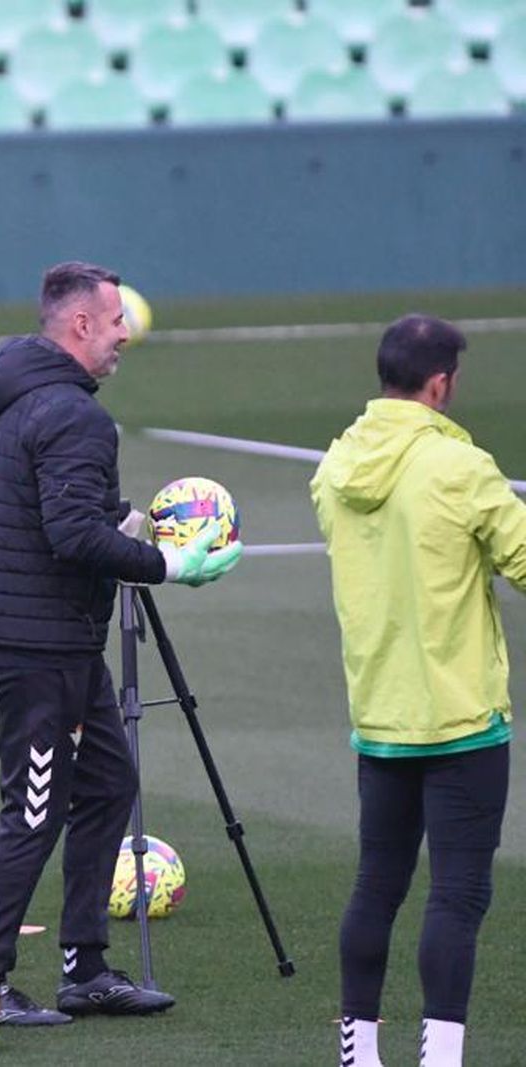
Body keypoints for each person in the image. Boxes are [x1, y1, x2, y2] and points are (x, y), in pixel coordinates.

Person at [0, 261, 241, 1024]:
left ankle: (85, 967)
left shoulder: (7, 404)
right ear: (79, 324)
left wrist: (123, 526)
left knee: (110, 781)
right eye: (116, 320)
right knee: (34, 809)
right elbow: (73, 533)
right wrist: (171, 561)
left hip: (50, 637)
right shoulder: (76, 416)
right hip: (35, 646)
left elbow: (32, 515)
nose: (125, 334)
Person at [312, 315, 526, 1067]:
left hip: (380, 715)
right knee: (457, 896)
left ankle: (358, 1051)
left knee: (378, 885)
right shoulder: (460, 468)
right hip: (462, 717)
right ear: (441, 383)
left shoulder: (336, 467)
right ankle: (440, 1058)